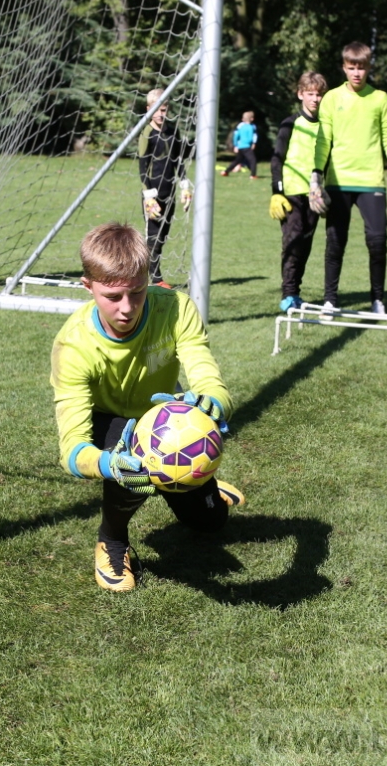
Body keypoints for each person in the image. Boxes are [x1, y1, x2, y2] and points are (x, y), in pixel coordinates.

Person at [50, 222, 244, 593]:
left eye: (137, 292)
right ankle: (112, 540)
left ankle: (199, 478)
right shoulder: (72, 346)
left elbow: (208, 378)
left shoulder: (175, 308)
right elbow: (71, 449)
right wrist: (108, 464)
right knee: (136, 465)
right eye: (112, 296)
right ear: (87, 286)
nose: (127, 308)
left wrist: (212, 405)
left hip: (167, 421)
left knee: (210, 524)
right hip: (107, 423)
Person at [310, 42, 387, 316]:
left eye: (362, 67)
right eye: (352, 67)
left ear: (368, 67)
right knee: (335, 242)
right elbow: (323, 140)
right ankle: (330, 299)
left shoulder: (380, 99)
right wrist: (315, 179)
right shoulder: (331, 98)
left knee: (378, 241)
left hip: (371, 181)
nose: (357, 73)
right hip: (338, 182)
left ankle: (377, 300)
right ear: (344, 67)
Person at [269, 72, 328, 313]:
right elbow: (277, 160)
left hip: (314, 195)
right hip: (291, 196)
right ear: (300, 94)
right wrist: (277, 192)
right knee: (292, 244)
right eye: (310, 94)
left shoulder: (327, 125)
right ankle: (289, 294)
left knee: (305, 245)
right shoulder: (290, 123)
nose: (315, 99)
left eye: (319, 94)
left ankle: (296, 291)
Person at [137, 88, 192, 288]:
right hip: (152, 193)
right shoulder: (146, 133)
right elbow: (142, 165)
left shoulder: (172, 131)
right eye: (157, 110)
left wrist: (184, 183)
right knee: (152, 235)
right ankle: (156, 278)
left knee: (162, 236)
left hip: (169, 191)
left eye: (164, 109)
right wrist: (148, 195)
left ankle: (151, 272)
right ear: (148, 109)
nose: (161, 114)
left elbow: (178, 161)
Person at [221, 111, 258, 178]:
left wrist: (236, 145)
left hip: (240, 146)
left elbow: (236, 136)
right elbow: (254, 136)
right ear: (252, 119)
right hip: (247, 147)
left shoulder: (240, 126)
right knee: (253, 161)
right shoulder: (252, 127)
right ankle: (253, 175)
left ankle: (226, 171)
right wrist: (254, 143)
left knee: (237, 160)